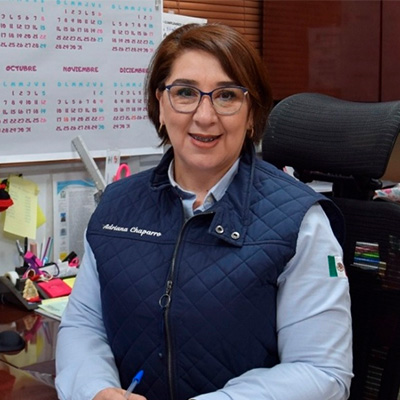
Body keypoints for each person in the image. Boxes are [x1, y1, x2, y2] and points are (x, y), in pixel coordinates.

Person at [55, 23, 353, 400]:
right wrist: (94, 390)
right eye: (185, 93)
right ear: (160, 106)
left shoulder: (301, 222)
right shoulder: (116, 205)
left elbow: (322, 372)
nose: (205, 115)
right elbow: (83, 325)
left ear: (251, 114)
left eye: (227, 95)